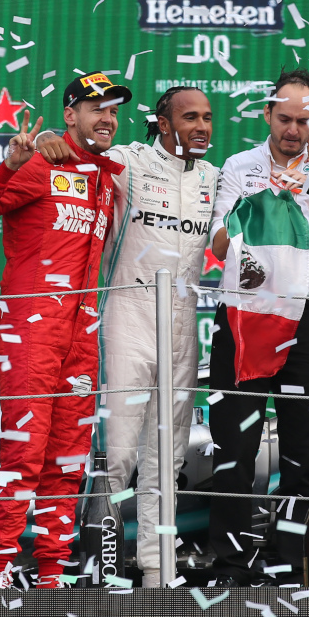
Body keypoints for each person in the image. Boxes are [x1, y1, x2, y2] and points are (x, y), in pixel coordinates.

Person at [0, 71, 130, 589]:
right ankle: (2, 568)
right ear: (69, 115)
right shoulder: (41, 162)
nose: (108, 119)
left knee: (68, 456)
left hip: (82, 331)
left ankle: (52, 572)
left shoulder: (109, 174)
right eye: (96, 108)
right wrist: (9, 166)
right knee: (25, 451)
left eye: (114, 111)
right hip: (31, 328)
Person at [207, 68, 309, 586]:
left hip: (307, 313)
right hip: (244, 313)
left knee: (300, 448)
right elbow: (219, 245)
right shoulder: (238, 165)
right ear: (266, 114)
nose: (293, 129)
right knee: (234, 448)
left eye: (302, 120)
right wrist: (261, 204)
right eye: (284, 118)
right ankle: (230, 568)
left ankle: (286, 564)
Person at [95, 86, 217, 588]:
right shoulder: (132, 160)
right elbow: (85, 149)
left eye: (208, 118)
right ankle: (101, 567)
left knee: (165, 458)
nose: (203, 127)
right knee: (119, 453)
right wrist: (55, 144)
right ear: (163, 123)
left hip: (183, 319)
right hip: (128, 310)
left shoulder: (216, 176)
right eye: (190, 118)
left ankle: (154, 572)